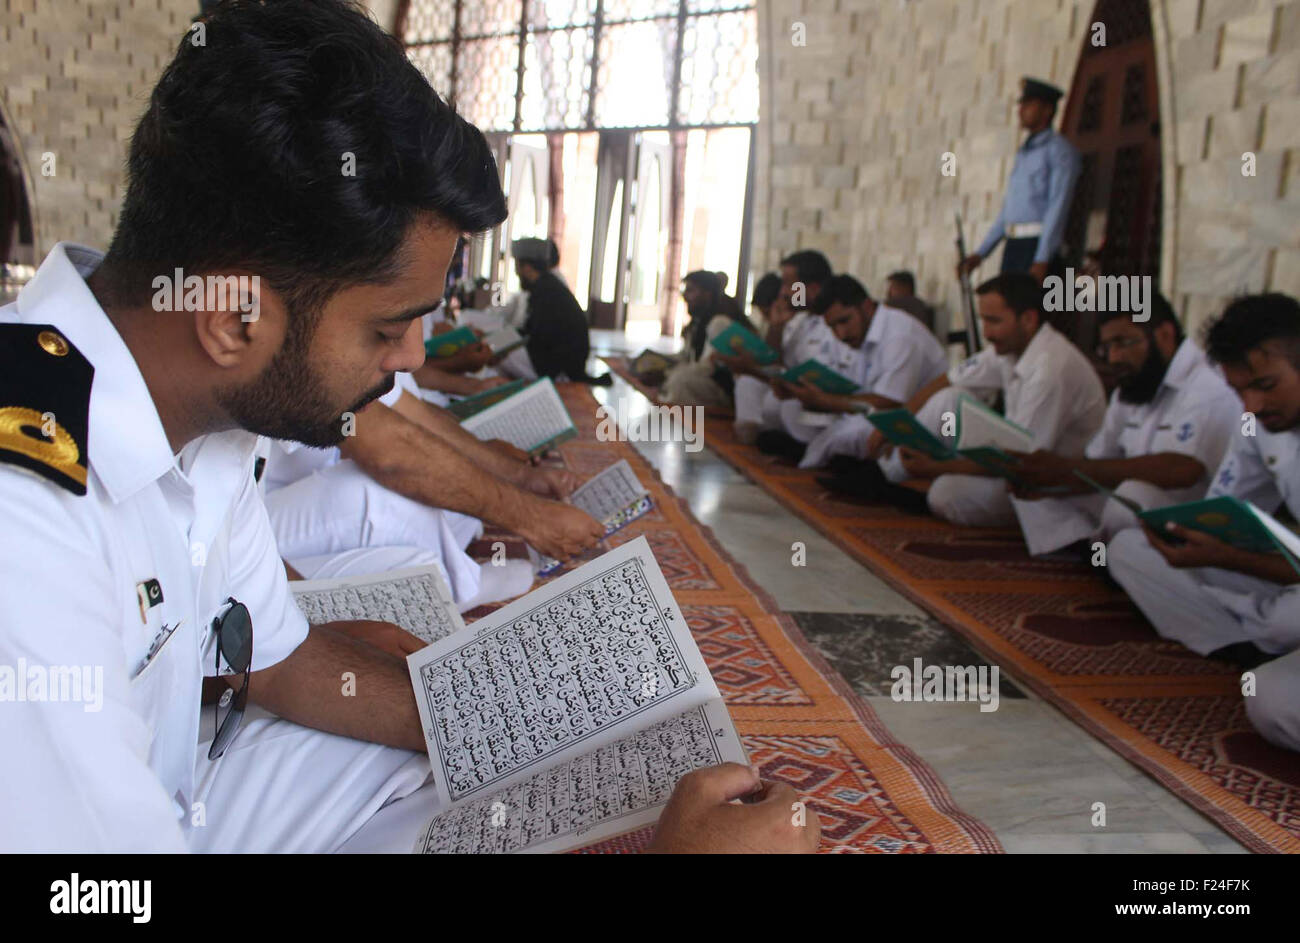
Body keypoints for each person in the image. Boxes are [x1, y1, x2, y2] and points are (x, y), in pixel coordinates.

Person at [0, 0, 816, 854]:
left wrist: (514, 727)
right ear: (235, 319)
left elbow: (274, 659)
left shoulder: (204, 405)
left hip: (186, 772)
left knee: (471, 791)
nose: (411, 359)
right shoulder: (27, 523)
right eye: (386, 329)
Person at [1106, 294, 1300, 751]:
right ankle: (1247, 640)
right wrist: (1189, 533)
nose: (1251, 405)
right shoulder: (1258, 422)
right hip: (1283, 570)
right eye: (1240, 391)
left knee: (1278, 670)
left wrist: (1232, 558)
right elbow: (1224, 506)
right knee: (1130, 548)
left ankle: (1268, 628)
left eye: (1267, 385)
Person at [260, 368, 603, 611]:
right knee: (377, 494)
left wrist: (519, 478)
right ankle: (457, 587)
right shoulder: (307, 323)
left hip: (295, 502)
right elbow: (389, 452)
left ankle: (438, 572)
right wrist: (529, 516)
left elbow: (416, 418)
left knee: (447, 480)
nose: (414, 355)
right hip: (253, 526)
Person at [828, 274, 1106, 527]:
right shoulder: (1009, 348)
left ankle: (892, 480)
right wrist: (892, 427)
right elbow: (950, 379)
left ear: (1028, 320)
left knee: (946, 494)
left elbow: (1020, 463)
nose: (986, 332)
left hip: (1045, 487)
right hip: (1014, 458)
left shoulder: (1050, 370)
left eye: (994, 321)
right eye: (983, 320)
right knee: (949, 399)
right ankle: (881, 474)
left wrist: (936, 468)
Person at [1004, 294, 1240, 556]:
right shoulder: (1133, 385)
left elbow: (1183, 470)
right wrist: (1053, 479)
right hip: (1132, 510)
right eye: (1107, 347)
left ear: (1163, 334)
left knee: (1131, 494)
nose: (1114, 357)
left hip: (1191, 515)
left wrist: (1069, 469)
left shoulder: (1207, 384)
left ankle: (1108, 553)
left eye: (1122, 343)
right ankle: (1084, 548)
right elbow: (1098, 460)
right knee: (1036, 489)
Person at [758, 274, 948, 468]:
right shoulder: (857, 333)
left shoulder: (900, 335)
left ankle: (817, 465)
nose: (841, 334)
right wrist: (798, 393)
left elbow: (889, 401)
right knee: (793, 410)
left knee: (850, 435)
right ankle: (816, 459)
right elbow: (852, 391)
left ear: (866, 306)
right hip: (866, 412)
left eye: (844, 321)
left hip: (917, 421)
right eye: (833, 327)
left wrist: (825, 401)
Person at [957, 77, 1081, 283]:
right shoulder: (1024, 153)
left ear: (1047, 110)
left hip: (1038, 245)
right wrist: (981, 253)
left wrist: (1042, 258)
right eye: (1021, 104)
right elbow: (1009, 210)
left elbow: (1057, 208)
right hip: (1014, 245)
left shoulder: (1059, 151)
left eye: (1029, 104)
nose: (1021, 110)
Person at [720, 250, 837, 445]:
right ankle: (751, 443)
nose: (783, 292)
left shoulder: (834, 322)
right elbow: (774, 363)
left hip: (819, 398)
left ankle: (792, 445)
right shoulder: (797, 319)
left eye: (790, 285)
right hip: (790, 388)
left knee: (779, 404)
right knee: (748, 383)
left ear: (814, 288)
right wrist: (776, 327)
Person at [497, 236, 611, 385]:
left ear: (527, 267)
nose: (517, 273)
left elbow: (538, 340)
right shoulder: (545, 286)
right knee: (499, 343)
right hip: (558, 361)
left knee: (496, 352)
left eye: (517, 266)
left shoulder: (547, 292)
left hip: (559, 369)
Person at [660, 269, 752, 408]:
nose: (685, 296)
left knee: (679, 381)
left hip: (720, 386)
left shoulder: (719, 322)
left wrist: (670, 372)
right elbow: (687, 356)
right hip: (702, 375)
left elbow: (707, 367)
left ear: (707, 294)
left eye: (691, 291)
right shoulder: (698, 321)